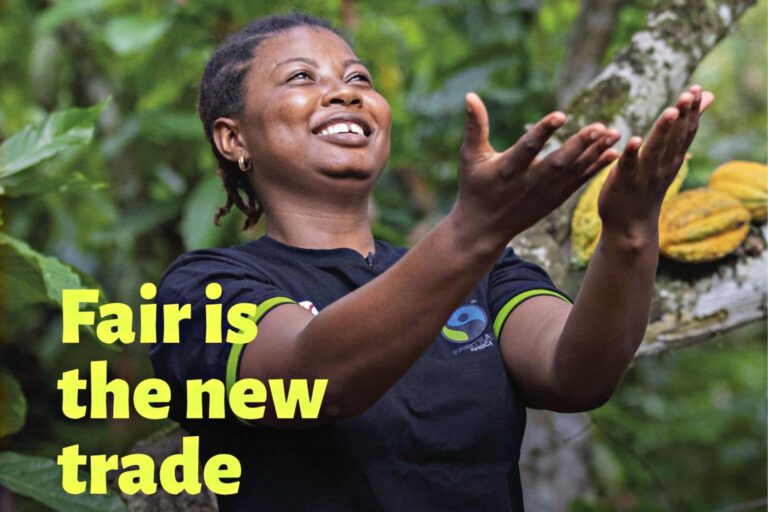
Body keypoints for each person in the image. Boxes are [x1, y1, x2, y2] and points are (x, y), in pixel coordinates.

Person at [150, 12, 713, 512]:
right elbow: (312, 382)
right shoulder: (201, 289)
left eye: (358, 79)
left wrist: (632, 231)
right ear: (233, 139)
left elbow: (576, 376)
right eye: (302, 77)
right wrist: (474, 231)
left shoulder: (486, 271)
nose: (344, 93)